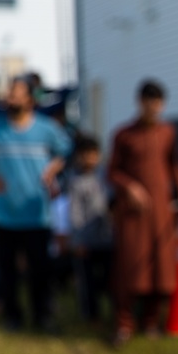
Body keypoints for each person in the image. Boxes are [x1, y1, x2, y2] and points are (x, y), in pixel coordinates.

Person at [0, 76, 72, 332]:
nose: (10, 97)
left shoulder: (46, 129)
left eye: (16, 93)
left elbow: (65, 150)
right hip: (4, 214)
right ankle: (12, 317)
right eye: (9, 93)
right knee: (7, 271)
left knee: (39, 271)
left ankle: (42, 316)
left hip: (37, 214)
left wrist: (52, 169)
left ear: (30, 100)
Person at [108, 79, 178, 347]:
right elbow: (112, 171)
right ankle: (124, 323)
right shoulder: (123, 135)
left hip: (160, 209)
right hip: (132, 213)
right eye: (148, 103)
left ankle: (150, 321)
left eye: (158, 104)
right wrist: (130, 187)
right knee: (130, 266)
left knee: (160, 266)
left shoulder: (168, 132)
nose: (153, 109)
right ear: (140, 103)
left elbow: (174, 165)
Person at [67, 135, 114, 329]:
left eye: (93, 154)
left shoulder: (107, 177)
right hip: (86, 242)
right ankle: (91, 315)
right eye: (84, 155)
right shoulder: (74, 181)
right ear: (78, 157)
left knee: (111, 279)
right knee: (87, 282)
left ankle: (116, 312)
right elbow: (74, 213)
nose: (89, 159)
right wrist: (78, 241)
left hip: (109, 239)